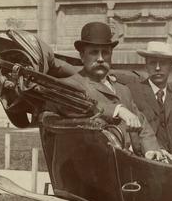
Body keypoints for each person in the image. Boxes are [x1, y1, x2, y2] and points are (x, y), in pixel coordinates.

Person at [64, 21, 161, 158]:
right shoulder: (71, 85)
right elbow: (75, 104)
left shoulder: (123, 90)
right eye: (94, 53)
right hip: (92, 166)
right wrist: (117, 110)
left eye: (105, 53)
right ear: (82, 56)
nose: (100, 59)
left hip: (129, 164)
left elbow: (142, 123)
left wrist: (151, 150)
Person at [127, 41, 172, 164]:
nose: (157, 68)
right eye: (153, 63)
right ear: (146, 66)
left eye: (163, 63)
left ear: (171, 68)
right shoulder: (133, 93)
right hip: (144, 160)